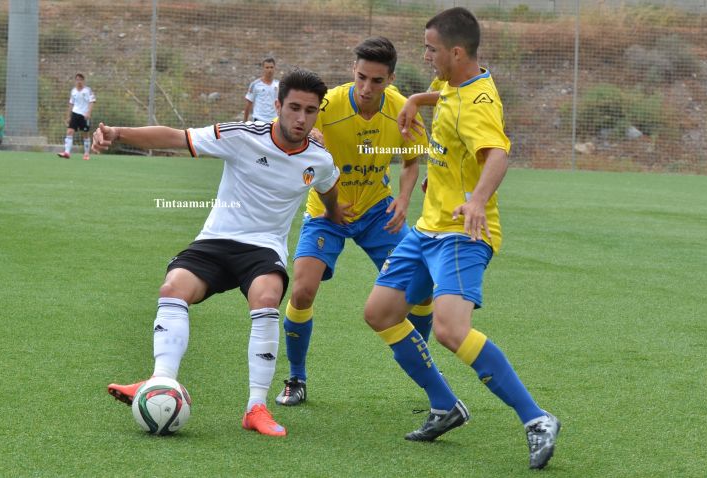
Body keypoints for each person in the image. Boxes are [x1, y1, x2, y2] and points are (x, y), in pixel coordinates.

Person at [97, 69, 345, 437]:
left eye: (310, 111)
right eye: (294, 107)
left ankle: (255, 408)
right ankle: (160, 380)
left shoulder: (318, 158)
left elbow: (329, 188)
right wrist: (118, 133)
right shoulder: (242, 136)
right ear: (277, 105)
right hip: (216, 240)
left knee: (267, 297)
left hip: (263, 248)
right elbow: (177, 137)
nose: (301, 118)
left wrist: (335, 215)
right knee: (173, 288)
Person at [363, 8, 560, 469]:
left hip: (461, 232)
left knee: (451, 330)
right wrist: (417, 99)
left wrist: (477, 202)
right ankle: (444, 405)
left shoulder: (479, 103)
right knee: (380, 312)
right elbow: (447, 96)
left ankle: (537, 419)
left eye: (430, 49)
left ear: (455, 52)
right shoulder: (454, 82)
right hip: (427, 229)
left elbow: (498, 154)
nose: (425, 55)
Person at [275, 37, 435, 407]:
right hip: (327, 211)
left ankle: (421, 365)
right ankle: (296, 378)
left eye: (377, 81)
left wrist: (404, 199)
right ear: (353, 71)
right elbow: (286, 131)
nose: (366, 88)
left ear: (391, 79)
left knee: (423, 285)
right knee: (302, 291)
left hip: (378, 211)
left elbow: (411, 162)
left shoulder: (402, 109)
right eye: (361, 77)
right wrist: (308, 135)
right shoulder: (327, 105)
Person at [58, 73, 96, 160]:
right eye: (77, 80)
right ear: (75, 81)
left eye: (81, 80)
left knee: (85, 134)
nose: (79, 81)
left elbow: (92, 101)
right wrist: (68, 116)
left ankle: (86, 154)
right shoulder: (73, 91)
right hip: (75, 114)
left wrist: (89, 113)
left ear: (83, 81)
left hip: (84, 115)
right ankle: (67, 153)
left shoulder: (88, 90)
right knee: (69, 131)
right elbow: (71, 104)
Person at [243, 58, 280, 122]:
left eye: (271, 67)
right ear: (263, 69)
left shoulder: (279, 85)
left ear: (275, 68)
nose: (269, 70)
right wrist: (245, 122)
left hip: (274, 120)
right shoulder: (255, 84)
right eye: (267, 67)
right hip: (259, 120)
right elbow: (248, 104)